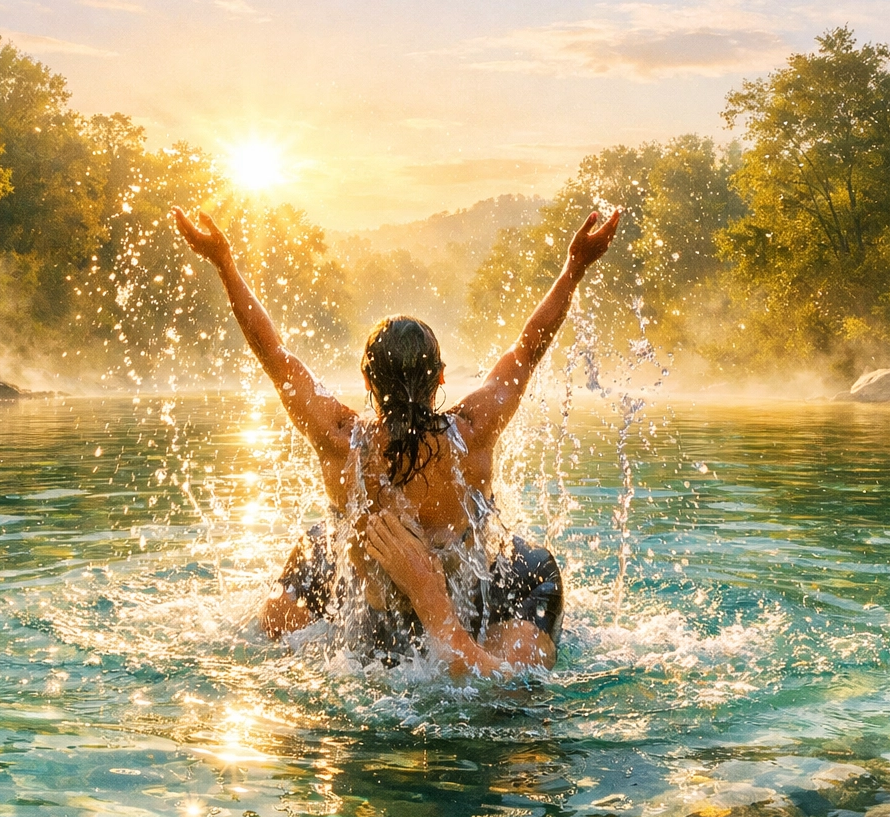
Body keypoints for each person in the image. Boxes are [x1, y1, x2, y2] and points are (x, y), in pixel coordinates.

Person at [171, 204, 621, 677]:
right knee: (284, 616)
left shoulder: (340, 438)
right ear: (441, 377)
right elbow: (528, 349)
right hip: (393, 589)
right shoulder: (471, 430)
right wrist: (574, 268)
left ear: (367, 382)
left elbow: (273, 353)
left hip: (480, 588)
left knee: (515, 679)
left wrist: (224, 262)